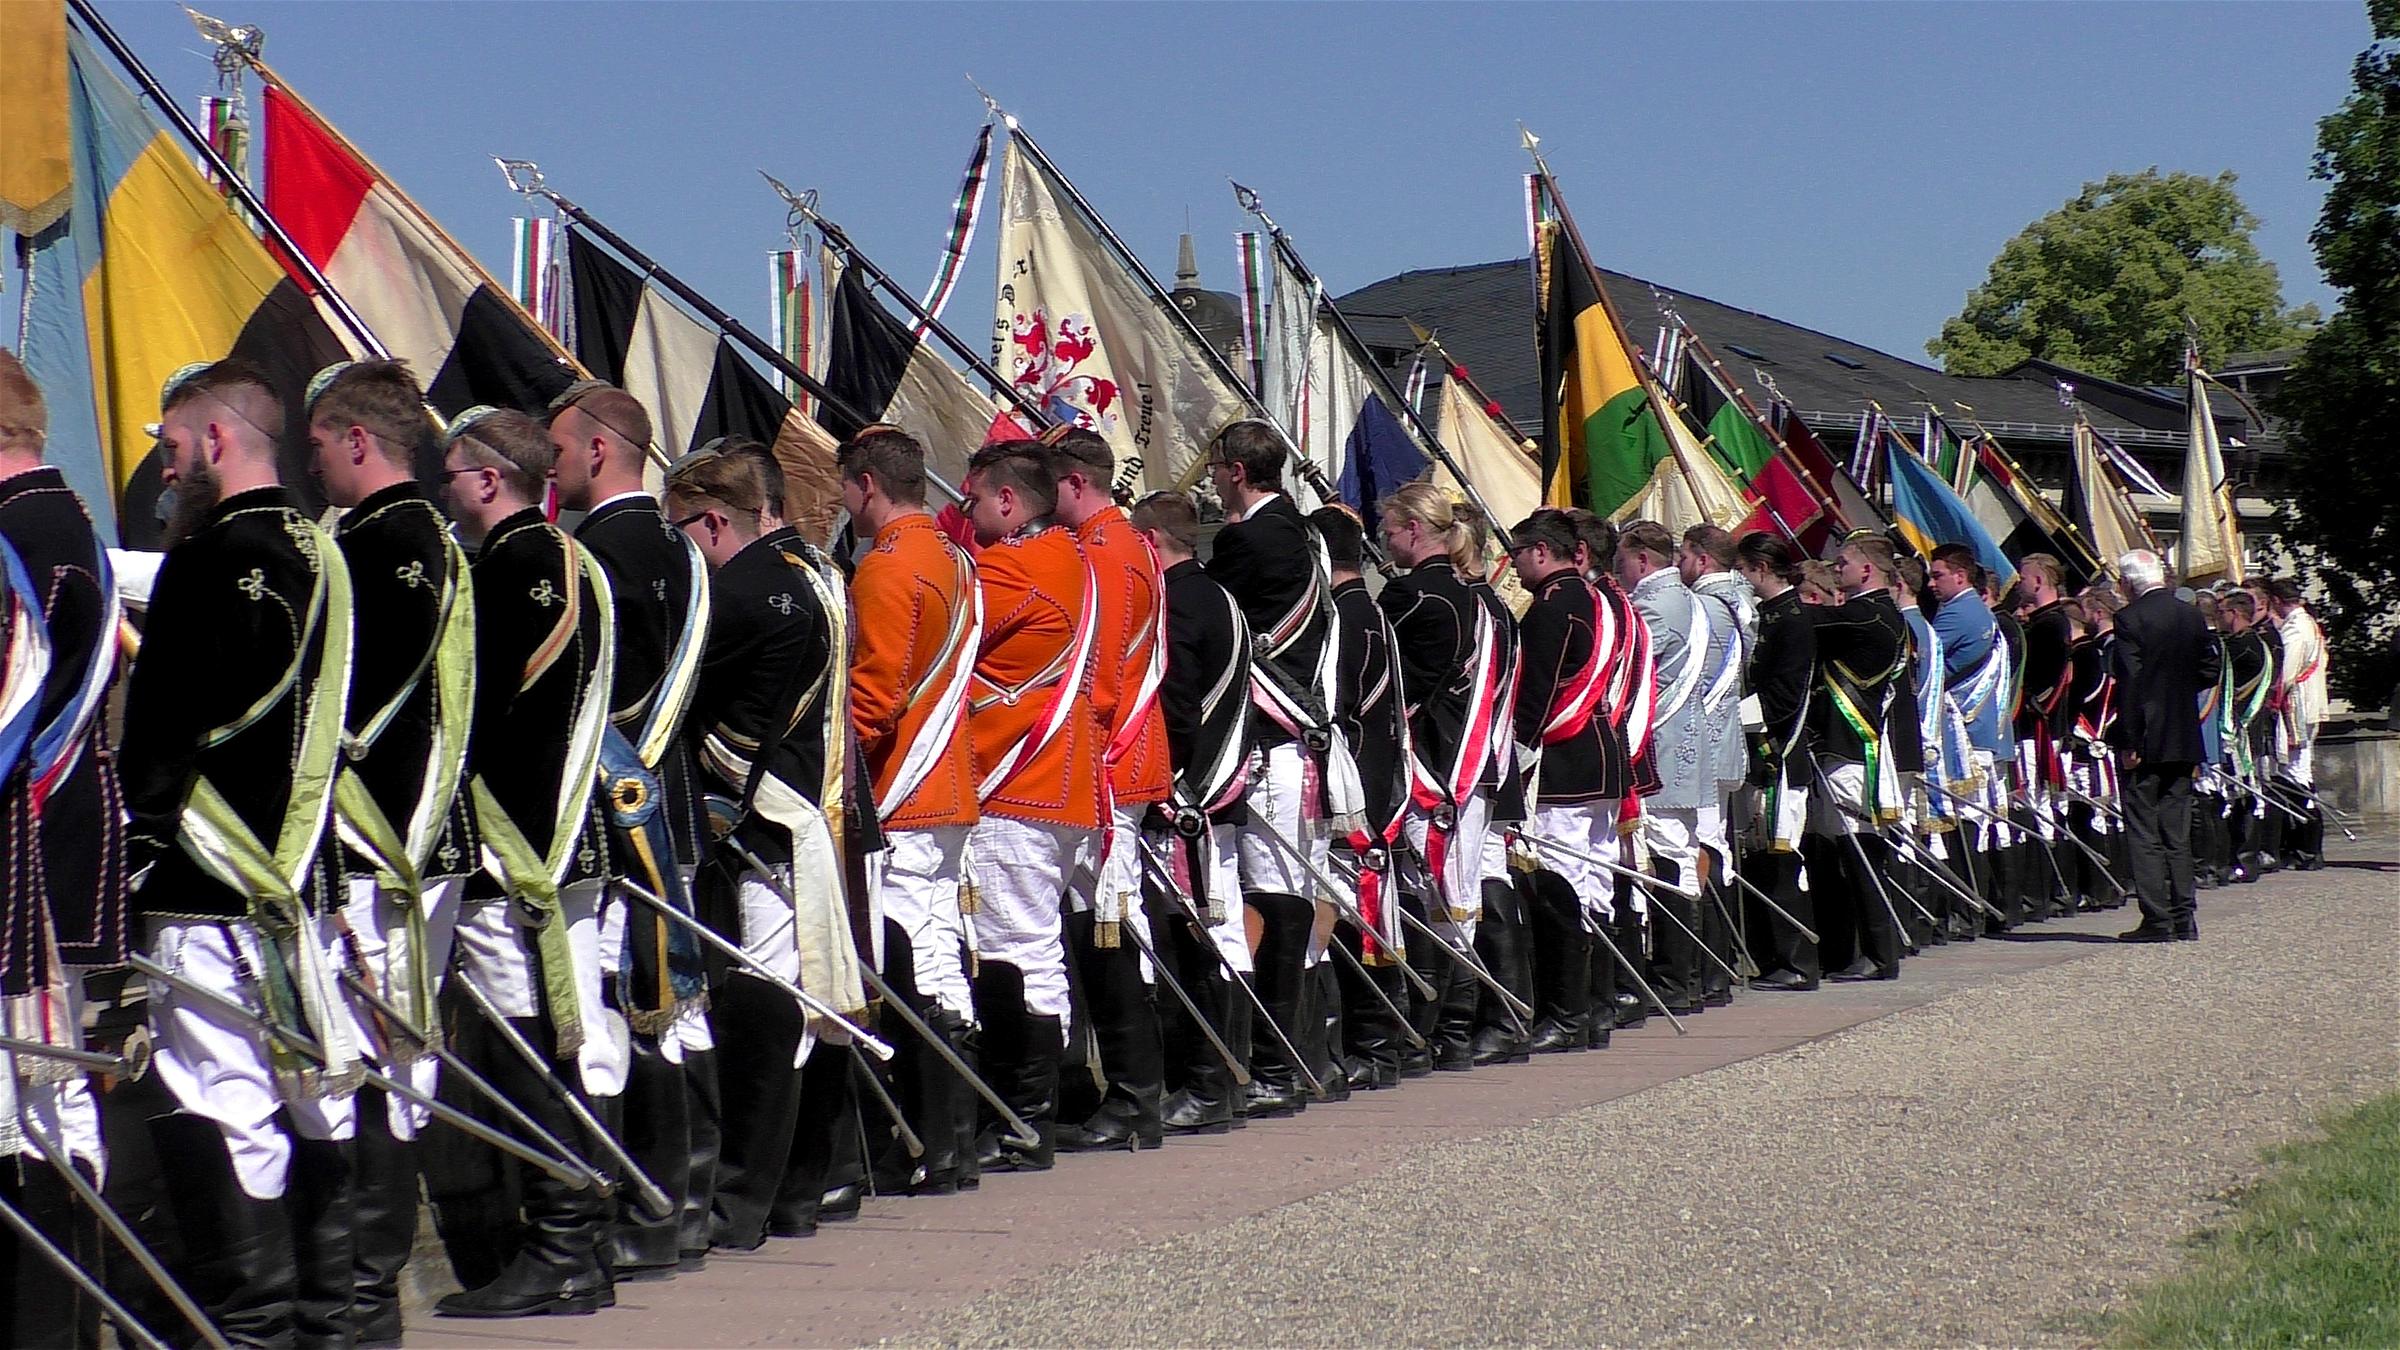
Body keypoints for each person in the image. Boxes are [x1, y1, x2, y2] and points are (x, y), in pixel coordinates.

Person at [115, 359, 362, 1344]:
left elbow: (161, 735)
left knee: (222, 1101)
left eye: (173, 452)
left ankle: (251, 1328)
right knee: (314, 1104)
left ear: (214, 442)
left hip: (212, 883)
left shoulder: (208, 560)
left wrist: (130, 849)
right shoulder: (328, 551)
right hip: (308, 880)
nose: (168, 476)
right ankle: (326, 1323)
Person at [423, 407, 618, 1320]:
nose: (446, 487)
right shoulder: (573, 559)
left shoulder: (512, 568)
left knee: (529, 1044)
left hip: (518, 849)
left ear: (491, 478)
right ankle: (579, 1248)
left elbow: (467, 711)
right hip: (564, 839)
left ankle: (558, 1251)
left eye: (455, 473)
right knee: (558, 1036)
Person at [304, 360, 478, 1344]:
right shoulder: (428, 537)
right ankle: (369, 1290)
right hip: (416, 835)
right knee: (392, 1058)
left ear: (359, 441)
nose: (315, 459)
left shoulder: (384, 543)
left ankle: (361, 1298)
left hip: (380, 840)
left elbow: (346, 698)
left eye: (324, 441)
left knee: (366, 1060)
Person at [669, 439, 867, 1247]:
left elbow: (703, 714)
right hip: (808, 808)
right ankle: (801, 1187)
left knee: (764, 1006)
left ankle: (743, 1199)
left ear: (715, 519)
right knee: (802, 999)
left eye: (680, 527)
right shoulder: (816, 571)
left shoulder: (743, 593)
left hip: (761, 815)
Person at [0, 349, 125, 1350]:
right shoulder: (64, 517)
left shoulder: (20, 531)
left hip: (24, 854)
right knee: (50, 1099)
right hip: (53, 847)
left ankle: (48, 1327)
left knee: (31, 1106)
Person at [841, 427, 980, 1195]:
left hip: (904, 787)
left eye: (845, 488)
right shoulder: (956, 558)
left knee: (913, 956)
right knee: (938, 954)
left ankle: (934, 1141)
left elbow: (874, 699)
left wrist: (839, 774)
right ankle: (950, 1141)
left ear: (867, 484)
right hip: (949, 783)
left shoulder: (888, 567)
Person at [959, 442, 1098, 1171]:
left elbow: (944, 630)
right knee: (1037, 948)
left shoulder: (1014, 565)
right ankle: (1032, 1114)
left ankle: (1020, 1117)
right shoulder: (1071, 557)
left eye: (975, 501)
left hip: (1018, 778)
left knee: (1014, 950)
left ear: (1008, 501)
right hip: (1059, 779)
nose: (969, 515)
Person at [1202, 422, 1345, 1116]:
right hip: (1298, 735)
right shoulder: (1303, 532)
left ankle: (1280, 1067)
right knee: (1287, 895)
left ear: (1235, 471)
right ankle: (1302, 1060)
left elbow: (1212, 627)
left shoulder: (1246, 540)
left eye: (1215, 469)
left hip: (1270, 733)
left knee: (1278, 901)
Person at [1043, 428, 1170, 1152]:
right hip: (1120, 759)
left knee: (1109, 922)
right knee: (1106, 920)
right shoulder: (1126, 542)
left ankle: (1132, 1096)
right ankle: (1125, 1093)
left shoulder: (1103, 552)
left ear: (1073, 482)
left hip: (1109, 760)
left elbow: (1101, 677)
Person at [1133, 492, 1254, 1131]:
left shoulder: (1178, 602)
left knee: (1192, 938)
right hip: (1219, 792)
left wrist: (1162, 781)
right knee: (1218, 932)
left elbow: (1177, 705)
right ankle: (1221, 1080)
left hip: (1187, 794)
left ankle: (1205, 1085)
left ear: (1151, 541)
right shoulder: (1222, 595)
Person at [1375, 484, 1491, 1068]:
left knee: (1428, 895)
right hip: (1465, 762)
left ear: (1415, 530)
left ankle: (1430, 1031)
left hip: (1429, 762)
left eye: (1391, 529)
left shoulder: (1410, 597)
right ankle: (1454, 1028)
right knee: (1455, 896)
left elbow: (1383, 684)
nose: (1385, 540)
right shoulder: (1477, 598)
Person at [1506, 510, 1627, 1042]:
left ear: (1539, 551)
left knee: (1561, 885)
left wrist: (1513, 758)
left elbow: (1534, 697)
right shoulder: (1597, 599)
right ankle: (1596, 1007)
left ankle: (1566, 1012)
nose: (1512, 565)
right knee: (1593, 881)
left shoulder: (1552, 609)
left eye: (1516, 553)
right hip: (1598, 755)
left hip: (1565, 760)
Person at [1308, 505, 1413, 1085]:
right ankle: (1379, 1045)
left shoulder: (1340, 619)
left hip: (1355, 787)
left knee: (1351, 918)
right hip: (1376, 779)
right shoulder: (1370, 610)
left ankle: (1372, 1047)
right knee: (1366, 918)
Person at [1614, 521, 1726, 1015]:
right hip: (1688, 745)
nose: (1617, 568)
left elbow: (1629, 673)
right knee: (1678, 857)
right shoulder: (1693, 602)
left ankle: (1674, 977)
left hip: (1661, 745)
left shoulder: (1653, 606)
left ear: (1641, 558)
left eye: (1621, 559)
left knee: (1665, 859)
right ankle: (1690, 975)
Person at [1800, 534, 1911, 983]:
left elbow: (1810, 624)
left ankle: (1880, 953)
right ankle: (1860, 950)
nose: (1836, 568)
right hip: (1845, 743)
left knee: (1858, 848)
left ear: (1867, 569)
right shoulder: (1882, 612)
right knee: (1847, 847)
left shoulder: (1867, 612)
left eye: (1843, 562)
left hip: (1850, 742)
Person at [1452, 501, 1531, 1064]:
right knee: (1486, 878)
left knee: (1474, 883)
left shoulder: (1474, 608)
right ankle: (1504, 1013)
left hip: (1469, 763)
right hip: (1491, 762)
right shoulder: (1497, 607)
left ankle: (1497, 1017)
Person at [2107, 550, 2220, 941]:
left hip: (2147, 735)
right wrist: (2178, 691)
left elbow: (2131, 683)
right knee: (2177, 830)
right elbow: (2210, 668)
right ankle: (2184, 914)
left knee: (2144, 830)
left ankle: (2157, 918)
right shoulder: (2190, 614)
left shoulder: (2129, 618)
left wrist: (2131, 737)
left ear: (2128, 583)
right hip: (2183, 731)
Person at [1733, 531, 1819, 990]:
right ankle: (1771, 958)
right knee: (1764, 861)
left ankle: (1796, 962)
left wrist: (1727, 716)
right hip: (1759, 753)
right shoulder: (1768, 616)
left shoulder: (1793, 619)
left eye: (1743, 571)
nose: (1740, 580)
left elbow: (1785, 696)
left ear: (1761, 569)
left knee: (1785, 861)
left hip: (1780, 752)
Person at [1680, 524, 1754, 1006]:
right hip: (1725, 741)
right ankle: (1716, 967)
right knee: (1714, 848)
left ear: (1703, 559)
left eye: (1684, 555)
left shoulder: (1707, 607)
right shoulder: (1743, 601)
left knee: (1702, 852)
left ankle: (1708, 969)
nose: (1679, 565)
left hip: (1701, 744)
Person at [1928, 547, 2009, 936]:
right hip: (1976, 732)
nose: (1932, 583)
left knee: (1964, 825)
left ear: (1960, 577)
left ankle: (1967, 910)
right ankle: (1976, 907)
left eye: (1938, 575)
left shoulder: (1959, 612)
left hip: (1963, 733)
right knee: (1972, 823)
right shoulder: (1978, 611)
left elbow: (1926, 664)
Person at [2012, 555, 2076, 923]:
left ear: (2037, 581)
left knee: (2041, 811)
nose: (2019, 583)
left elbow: (2048, 682)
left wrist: (2030, 707)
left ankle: (2046, 891)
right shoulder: (2041, 622)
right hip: (2037, 729)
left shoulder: (2050, 625)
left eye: (2023, 577)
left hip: (2038, 731)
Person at [2270, 579, 2329, 870]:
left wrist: (2271, 699)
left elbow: (2287, 672)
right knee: (2297, 772)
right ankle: (2304, 846)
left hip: (2297, 706)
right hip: (2307, 704)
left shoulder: (2296, 627)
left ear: (2278, 601)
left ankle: (2308, 846)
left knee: (2297, 774)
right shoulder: (2309, 623)